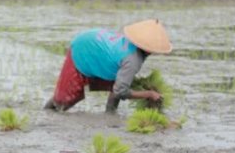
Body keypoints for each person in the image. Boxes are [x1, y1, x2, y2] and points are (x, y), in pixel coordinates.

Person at [44, 20, 173, 113]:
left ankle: (110, 113)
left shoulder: (131, 44)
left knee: (119, 82)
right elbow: (120, 91)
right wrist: (149, 94)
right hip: (83, 49)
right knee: (64, 99)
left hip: (96, 44)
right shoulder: (132, 60)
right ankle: (46, 114)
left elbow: (118, 86)